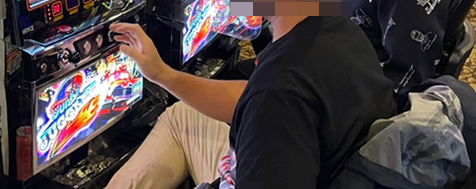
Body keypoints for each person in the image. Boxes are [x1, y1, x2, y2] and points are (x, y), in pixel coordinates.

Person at [105, 16, 395, 189]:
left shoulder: (279, 94)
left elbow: (271, 102)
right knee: (181, 115)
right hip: (319, 165)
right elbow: (251, 97)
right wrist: (163, 75)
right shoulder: (340, 30)